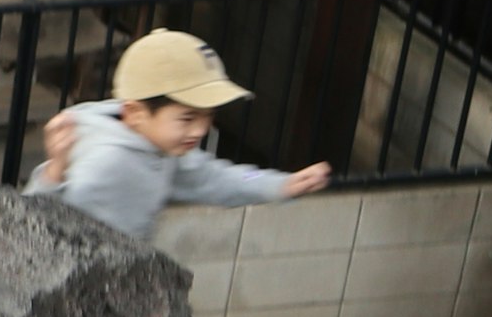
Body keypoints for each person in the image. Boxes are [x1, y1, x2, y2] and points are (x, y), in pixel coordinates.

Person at [30, 31, 329, 240]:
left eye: (207, 116)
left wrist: (280, 184)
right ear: (135, 112)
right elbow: (29, 226)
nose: (200, 130)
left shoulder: (158, 148)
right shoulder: (107, 162)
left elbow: (215, 178)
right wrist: (54, 174)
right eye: (187, 118)